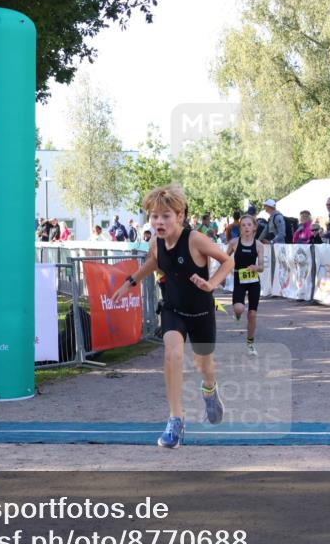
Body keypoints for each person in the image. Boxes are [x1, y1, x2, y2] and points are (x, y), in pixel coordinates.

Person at [111, 184, 232, 448]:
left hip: (200, 311)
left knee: (204, 367)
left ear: (180, 215)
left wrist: (212, 284)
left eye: (165, 216)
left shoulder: (196, 239)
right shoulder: (155, 241)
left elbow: (228, 261)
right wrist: (128, 283)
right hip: (173, 309)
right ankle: (176, 418)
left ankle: (210, 390)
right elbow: (154, 262)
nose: (159, 221)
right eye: (154, 216)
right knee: (172, 354)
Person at [226, 214, 265, 357]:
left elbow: (262, 267)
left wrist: (257, 267)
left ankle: (250, 344)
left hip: (254, 281)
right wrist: (227, 269)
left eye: (249, 225)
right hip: (239, 280)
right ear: (240, 228)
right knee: (239, 308)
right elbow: (224, 259)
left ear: (254, 227)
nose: (246, 227)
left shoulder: (259, 245)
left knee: (252, 314)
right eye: (243, 225)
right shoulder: (234, 243)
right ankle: (236, 314)